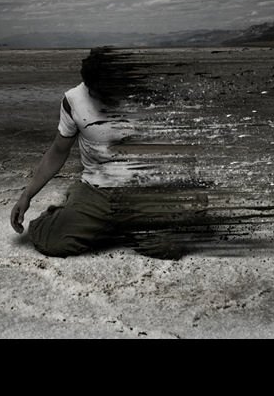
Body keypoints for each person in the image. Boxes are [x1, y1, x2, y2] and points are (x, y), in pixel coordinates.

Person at [10, 47, 185, 258]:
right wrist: (27, 195)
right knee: (54, 242)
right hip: (96, 189)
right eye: (94, 91)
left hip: (141, 189)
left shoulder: (147, 97)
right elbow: (58, 151)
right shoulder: (73, 99)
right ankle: (68, 215)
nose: (98, 97)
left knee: (168, 246)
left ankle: (111, 224)